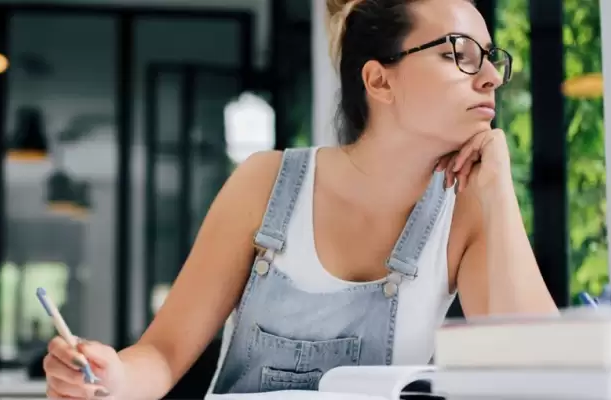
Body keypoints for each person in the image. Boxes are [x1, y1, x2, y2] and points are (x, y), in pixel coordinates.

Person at [42, 0, 558, 397]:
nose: (491, 77)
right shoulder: (266, 183)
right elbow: (163, 352)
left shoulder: (466, 206)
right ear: (380, 80)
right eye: (457, 55)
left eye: (491, 59)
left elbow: (545, 373)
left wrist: (498, 190)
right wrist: (112, 378)